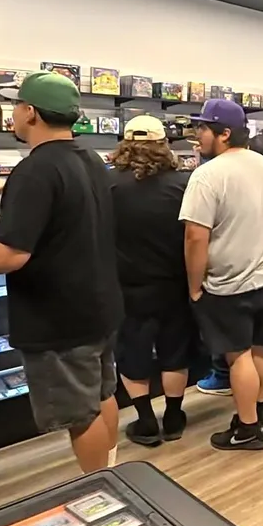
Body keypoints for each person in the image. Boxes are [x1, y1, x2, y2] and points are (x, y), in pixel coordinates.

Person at [0, 72, 122, 473]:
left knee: (80, 415)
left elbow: (11, 255)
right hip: (98, 307)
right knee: (101, 395)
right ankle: (114, 475)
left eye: (16, 105)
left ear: (31, 112)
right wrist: (9, 187)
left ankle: (101, 488)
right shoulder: (89, 159)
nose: (13, 113)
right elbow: (65, 198)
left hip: (59, 320)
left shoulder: (35, 170)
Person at [180, 99, 263, 451]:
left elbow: (195, 236)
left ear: (224, 133)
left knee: (237, 356)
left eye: (203, 128)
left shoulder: (207, 175)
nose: (197, 134)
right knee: (260, 350)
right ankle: (261, 408)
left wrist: (194, 286)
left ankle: (248, 428)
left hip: (229, 283)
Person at [108, 115, 194, 447]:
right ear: (163, 144)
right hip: (175, 281)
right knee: (175, 350)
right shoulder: (183, 184)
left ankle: (145, 421)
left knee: (132, 352)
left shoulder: (108, 184)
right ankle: (173, 417)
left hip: (127, 284)